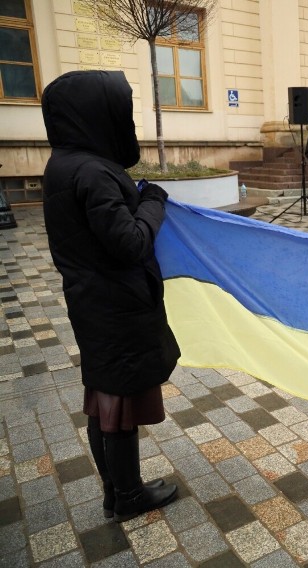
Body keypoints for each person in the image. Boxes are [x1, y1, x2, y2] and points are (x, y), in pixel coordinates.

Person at [41, 70, 179, 522]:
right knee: (117, 404)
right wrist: (153, 201)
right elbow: (131, 243)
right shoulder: (93, 172)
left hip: (93, 303)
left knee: (105, 400)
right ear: (95, 114)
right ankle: (128, 496)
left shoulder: (63, 163)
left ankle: (116, 491)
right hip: (116, 306)